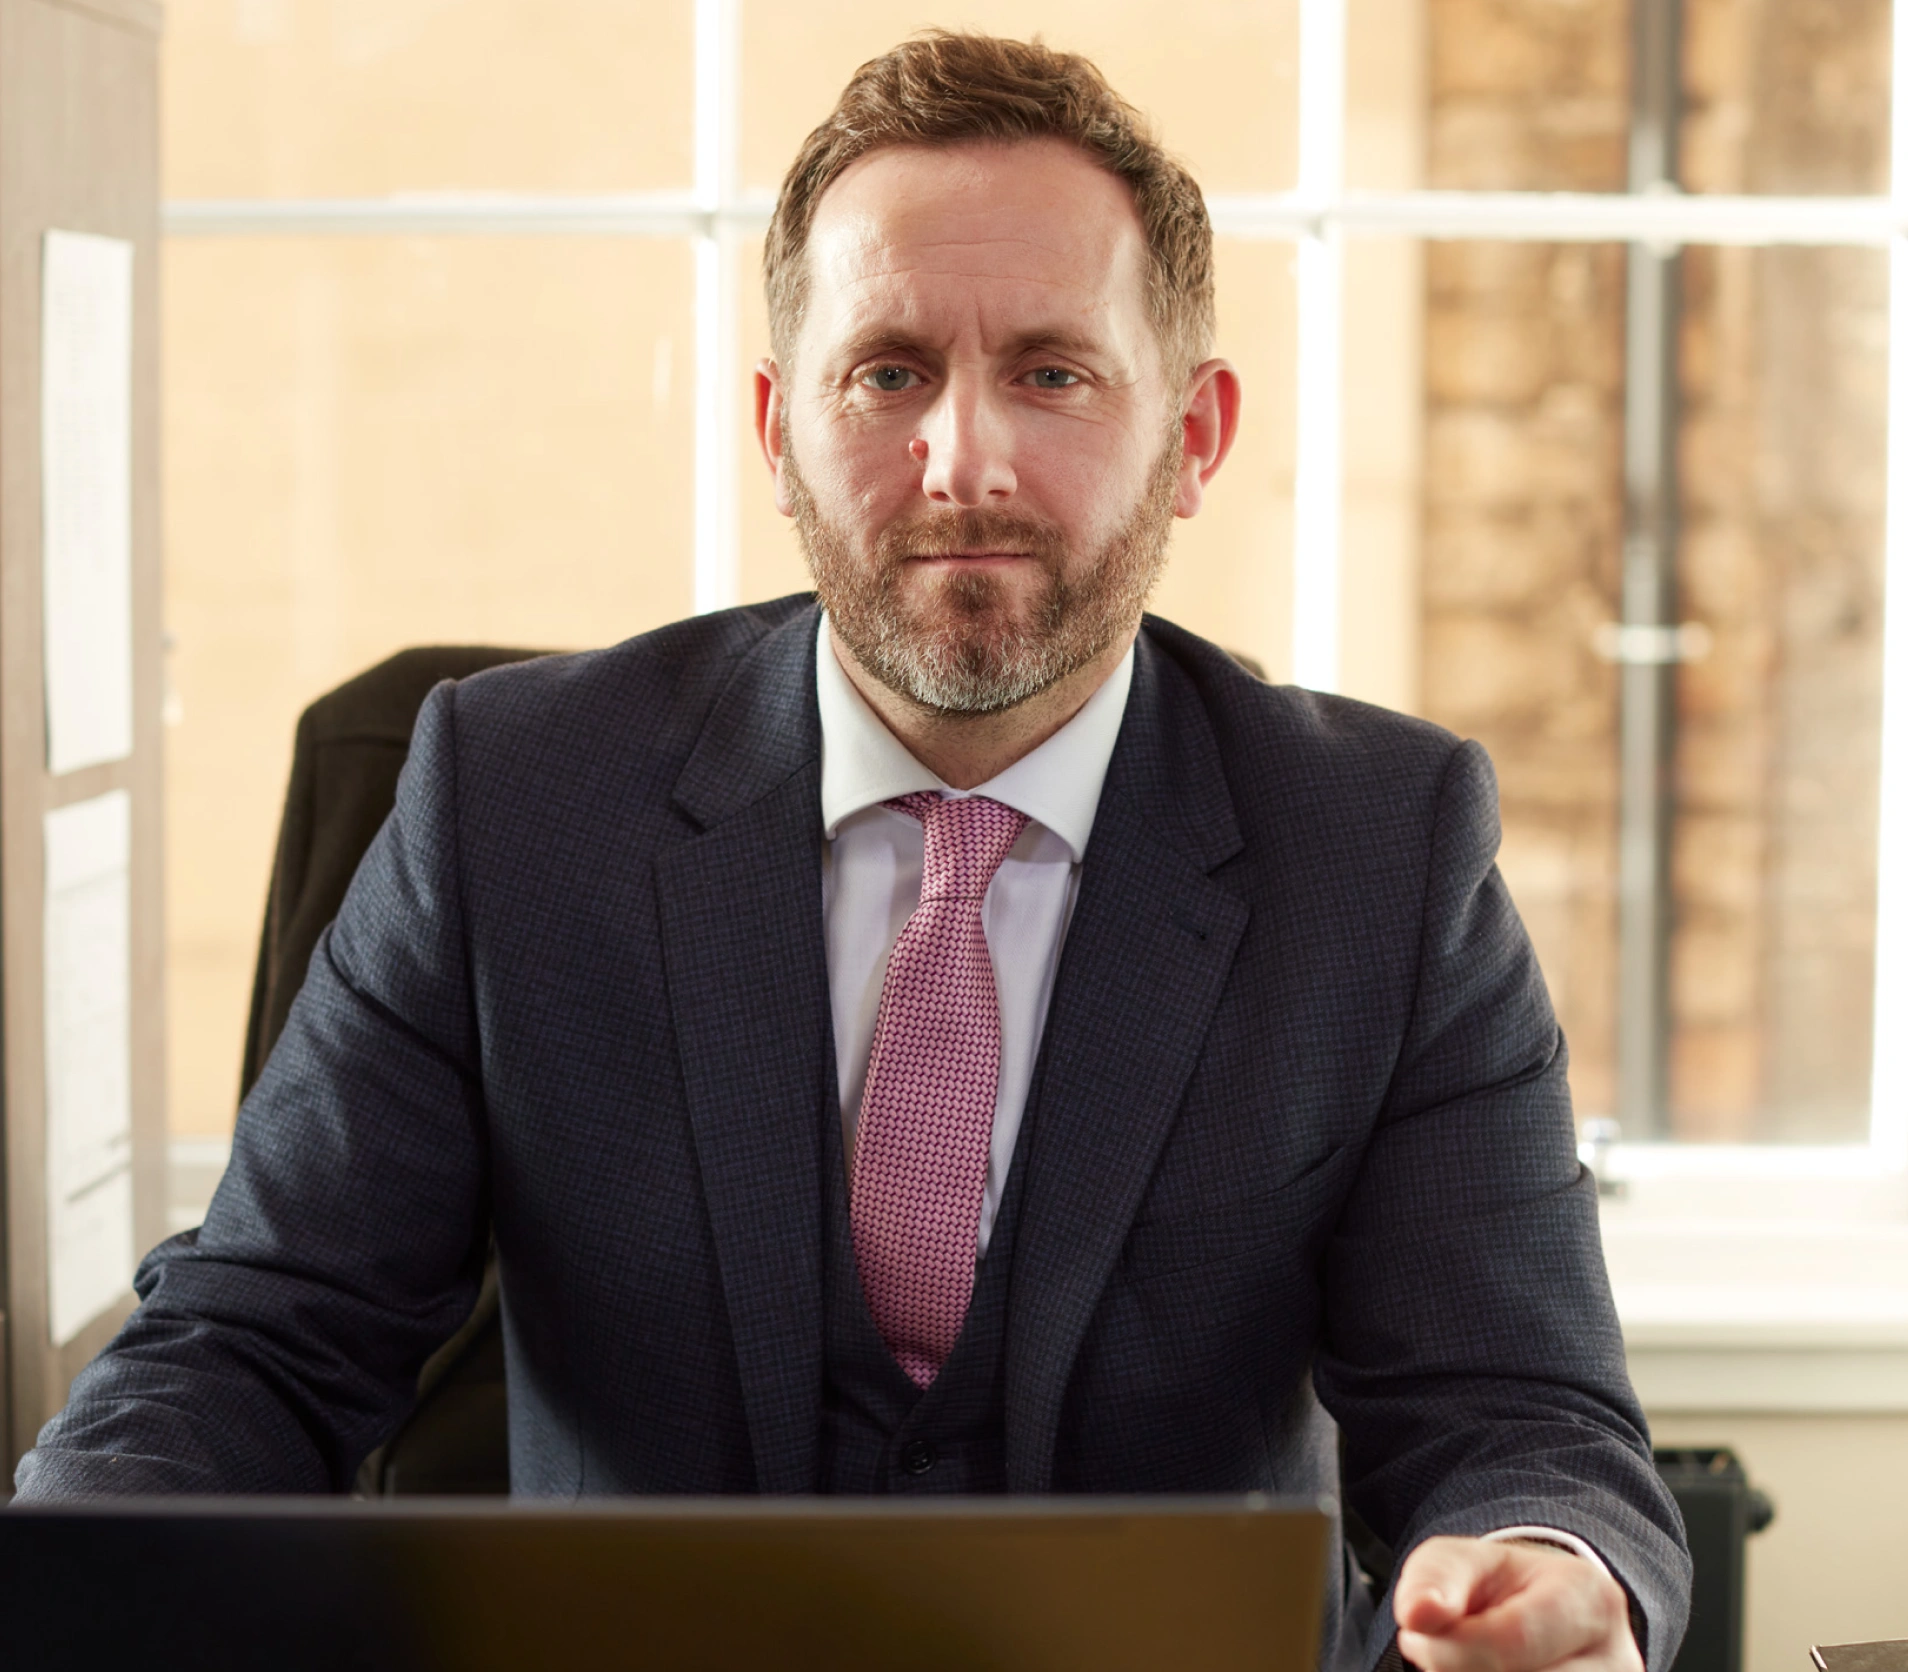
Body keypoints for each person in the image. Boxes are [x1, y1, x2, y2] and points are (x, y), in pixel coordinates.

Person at [16, 31, 1688, 1672]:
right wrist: (71, 1579)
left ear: (1194, 436)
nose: (964, 460)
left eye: (1053, 369)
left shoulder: (1381, 853)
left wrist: (1549, 1573)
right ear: (777, 427)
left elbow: (1520, 1412)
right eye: (888, 371)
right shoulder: (506, 796)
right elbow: (260, 1343)